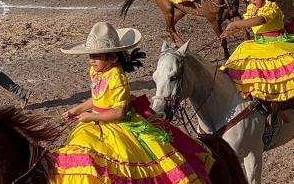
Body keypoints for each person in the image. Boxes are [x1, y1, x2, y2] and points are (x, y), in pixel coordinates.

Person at [54, 22, 214, 183]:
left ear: (111, 57)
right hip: (96, 121)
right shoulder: (96, 71)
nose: (92, 61)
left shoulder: (117, 77)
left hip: (117, 125)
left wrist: (91, 117)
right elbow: (97, 98)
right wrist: (76, 109)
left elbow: (119, 112)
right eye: (90, 56)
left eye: (96, 56)